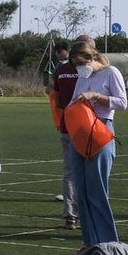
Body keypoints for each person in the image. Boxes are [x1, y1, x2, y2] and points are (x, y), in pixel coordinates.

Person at [68, 39, 128, 249]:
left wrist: (96, 96)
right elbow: (73, 101)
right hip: (81, 132)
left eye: (79, 63)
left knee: (97, 190)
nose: (78, 68)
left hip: (101, 129)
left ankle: (107, 244)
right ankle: (89, 244)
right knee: (81, 191)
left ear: (91, 57)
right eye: (74, 64)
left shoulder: (111, 73)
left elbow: (122, 102)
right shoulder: (82, 78)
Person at [48, 39, 81, 229]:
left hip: (66, 124)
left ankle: (70, 216)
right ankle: (88, 215)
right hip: (85, 128)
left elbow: (58, 100)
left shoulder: (60, 70)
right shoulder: (87, 70)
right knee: (89, 172)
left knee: (69, 172)